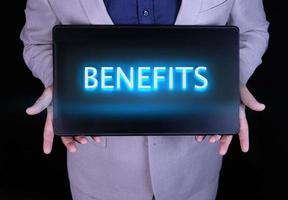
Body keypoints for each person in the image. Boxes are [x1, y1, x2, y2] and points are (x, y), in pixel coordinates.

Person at [20, 0, 269, 199]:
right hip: (100, 174)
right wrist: (64, 83)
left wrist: (227, 81)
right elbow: (37, 42)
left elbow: (252, 31)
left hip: (193, 171)